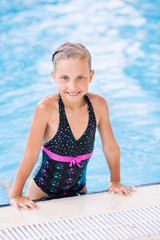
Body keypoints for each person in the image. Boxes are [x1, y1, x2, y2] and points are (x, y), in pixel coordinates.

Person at [10, 43, 134, 210]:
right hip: (42, 192)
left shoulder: (98, 106)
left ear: (91, 76)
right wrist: (16, 194)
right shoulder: (46, 108)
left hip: (79, 190)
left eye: (80, 77)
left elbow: (110, 146)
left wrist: (115, 181)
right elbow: (30, 155)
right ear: (54, 77)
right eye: (65, 78)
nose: (73, 86)